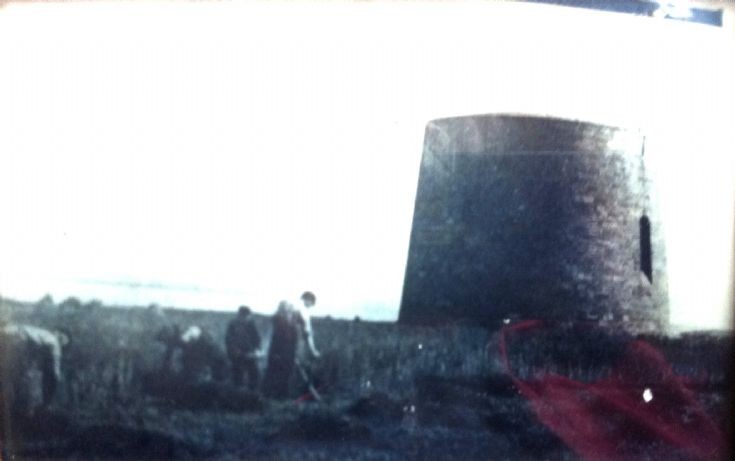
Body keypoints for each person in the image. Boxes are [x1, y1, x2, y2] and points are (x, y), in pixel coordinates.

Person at [225, 306, 262, 390]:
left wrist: (257, 350)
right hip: (237, 355)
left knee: (254, 373)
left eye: (247, 316)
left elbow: (257, 339)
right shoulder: (233, 325)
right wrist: (236, 352)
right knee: (237, 375)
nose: (246, 318)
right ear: (240, 315)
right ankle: (237, 392)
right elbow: (229, 341)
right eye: (244, 316)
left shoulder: (251, 324)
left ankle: (253, 392)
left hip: (250, 354)